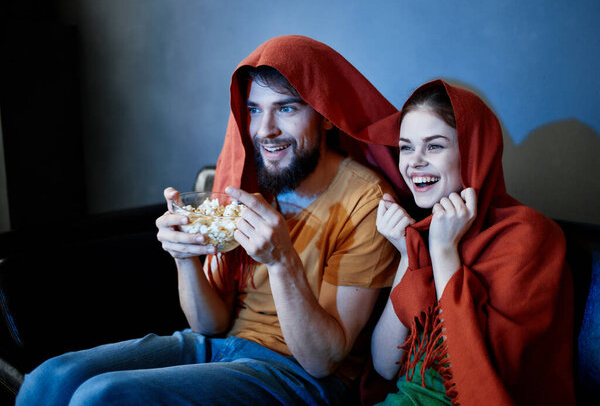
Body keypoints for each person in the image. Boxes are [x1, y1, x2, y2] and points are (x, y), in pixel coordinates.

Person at [16, 35, 403, 405]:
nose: (265, 131)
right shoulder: (251, 180)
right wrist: (184, 256)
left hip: (297, 373)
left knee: (101, 396)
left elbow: (323, 361)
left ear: (326, 116)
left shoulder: (366, 201)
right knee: (51, 377)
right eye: (254, 110)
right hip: (220, 345)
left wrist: (282, 262)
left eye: (286, 108)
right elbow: (210, 324)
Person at [370, 80, 575, 405]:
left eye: (434, 146)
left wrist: (443, 252)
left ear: (473, 152)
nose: (414, 161)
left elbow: (481, 380)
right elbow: (383, 367)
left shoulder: (529, 235)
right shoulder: (422, 231)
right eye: (406, 147)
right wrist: (409, 255)